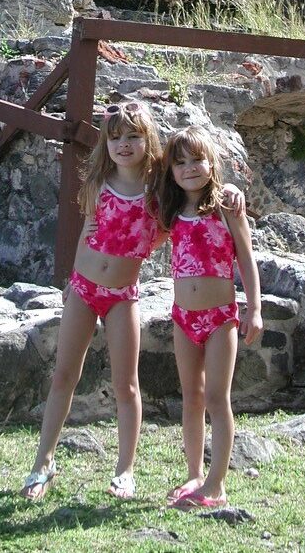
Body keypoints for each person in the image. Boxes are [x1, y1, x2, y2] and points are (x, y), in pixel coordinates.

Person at [20, 102, 244, 502]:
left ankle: (125, 470)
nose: (124, 144)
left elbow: (189, 202)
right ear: (106, 142)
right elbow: (89, 229)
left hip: (123, 295)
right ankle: (43, 462)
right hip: (84, 288)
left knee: (127, 384)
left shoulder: (160, 191)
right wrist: (73, 277)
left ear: (148, 141)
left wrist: (229, 188)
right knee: (64, 376)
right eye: (116, 137)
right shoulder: (97, 183)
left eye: (134, 136)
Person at [156, 125, 262, 509]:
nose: (189, 169)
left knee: (218, 398)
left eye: (197, 159)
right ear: (170, 171)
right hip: (183, 317)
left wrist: (256, 309)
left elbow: (246, 261)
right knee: (192, 398)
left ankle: (216, 483)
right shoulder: (170, 210)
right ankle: (193, 475)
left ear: (211, 162)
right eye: (180, 163)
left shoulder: (226, 205)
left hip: (220, 317)